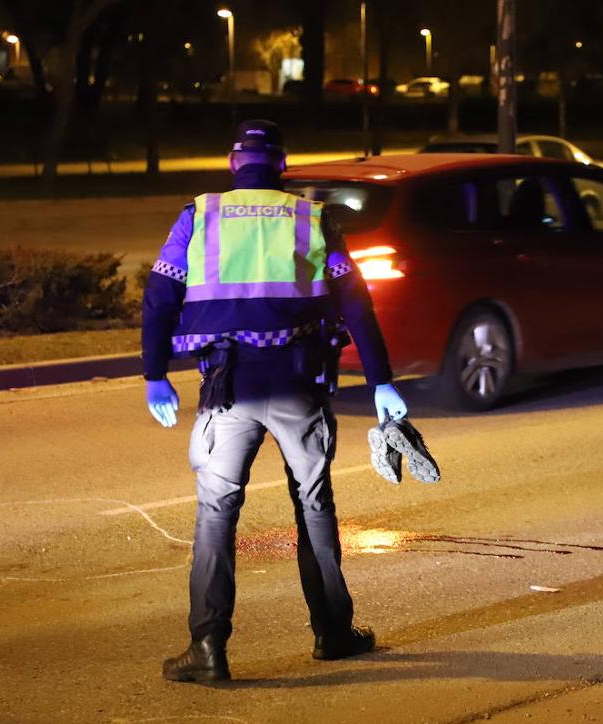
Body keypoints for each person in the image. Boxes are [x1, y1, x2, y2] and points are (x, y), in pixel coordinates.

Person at [142, 119, 408, 683]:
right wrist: (381, 381)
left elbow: (159, 297)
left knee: (216, 515)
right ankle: (333, 633)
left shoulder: (199, 215)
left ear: (233, 163)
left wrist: (154, 374)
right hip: (298, 384)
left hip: (226, 388)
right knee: (314, 506)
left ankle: (208, 648)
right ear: (283, 166)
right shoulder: (312, 219)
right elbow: (357, 303)